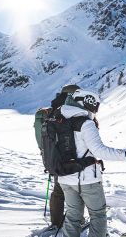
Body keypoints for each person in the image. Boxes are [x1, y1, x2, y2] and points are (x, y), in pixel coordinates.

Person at [57, 89, 126, 237]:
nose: (95, 110)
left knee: (72, 217)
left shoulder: (59, 120)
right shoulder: (86, 124)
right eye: (94, 106)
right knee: (98, 215)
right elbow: (100, 151)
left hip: (65, 178)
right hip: (87, 180)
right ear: (86, 102)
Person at [34, 84, 81, 229]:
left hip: (53, 158)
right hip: (72, 158)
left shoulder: (51, 111)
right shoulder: (70, 111)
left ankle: (56, 222)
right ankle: (75, 222)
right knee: (78, 190)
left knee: (58, 191)